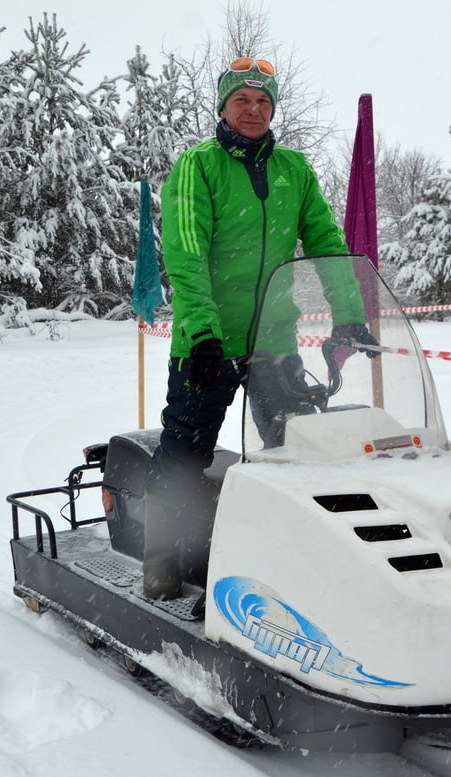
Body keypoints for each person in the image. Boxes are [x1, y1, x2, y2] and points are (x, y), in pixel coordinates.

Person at [143, 57, 375, 599]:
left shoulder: (294, 170)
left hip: (274, 341)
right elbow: (186, 255)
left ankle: (288, 566)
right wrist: (201, 333)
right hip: (208, 345)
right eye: (242, 101)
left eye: (263, 102)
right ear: (223, 107)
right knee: (184, 452)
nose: (253, 110)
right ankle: (159, 560)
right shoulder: (198, 166)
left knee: (294, 452)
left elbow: (325, 242)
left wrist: (349, 313)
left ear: (273, 109)